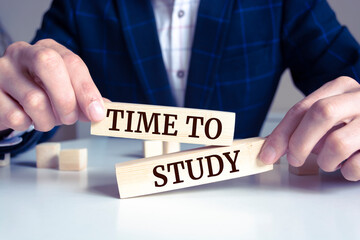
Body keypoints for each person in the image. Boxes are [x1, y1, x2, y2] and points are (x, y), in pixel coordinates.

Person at [1, 0, 360, 181]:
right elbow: (33, 96)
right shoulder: (81, 5)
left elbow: (351, 71)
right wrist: (10, 114)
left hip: (244, 211)